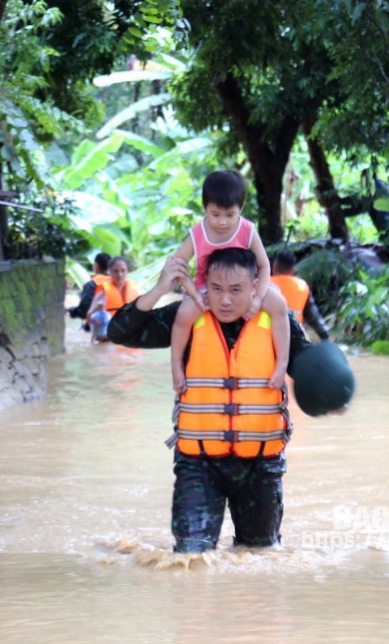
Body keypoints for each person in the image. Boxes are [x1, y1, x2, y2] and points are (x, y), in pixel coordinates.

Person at [108, 248, 330, 553]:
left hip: (260, 466)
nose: (224, 300)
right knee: (190, 557)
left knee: (261, 558)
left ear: (255, 287)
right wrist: (160, 289)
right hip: (198, 464)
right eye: (216, 290)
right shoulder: (187, 316)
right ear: (205, 286)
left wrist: (330, 387)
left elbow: (307, 363)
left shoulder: (278, 320)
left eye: (236, 290)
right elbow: (120, 332)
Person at [168, 170, 289, 394]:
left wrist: (258, 299)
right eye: (215, 214)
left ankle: (282, 364)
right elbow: (178, 265)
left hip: (245, 288)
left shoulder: (247, 230)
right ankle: (176, 366)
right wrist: (194, 294)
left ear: (240, 209)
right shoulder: (197, 233)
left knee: (279, 305)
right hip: (208, 288)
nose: (222, 222)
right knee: (184, 315)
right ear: (205, 207)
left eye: (229, 215)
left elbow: (264, 266)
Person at [270, 251, 331, 341]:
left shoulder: (265, 283)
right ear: (293, 270)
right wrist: (325, 336)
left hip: (269, 333)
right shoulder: (302, 286)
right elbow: (313, 316)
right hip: (295, 335)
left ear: (274, 267)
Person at [86, 256, 138, 342]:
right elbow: (89, 314)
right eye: (115, 271)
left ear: (127, 271)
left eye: (123, 270)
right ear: (110, 272)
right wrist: (99, 311)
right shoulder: (103, 292)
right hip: (106, 339)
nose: (120, 274)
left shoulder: (134, 290)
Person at [68, 252, 111, 329]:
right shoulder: (118, 283)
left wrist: (72, 311)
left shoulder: (91, 284)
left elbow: (84, 310)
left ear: (96, 266)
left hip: (97, 327)